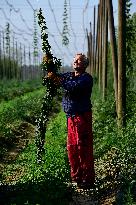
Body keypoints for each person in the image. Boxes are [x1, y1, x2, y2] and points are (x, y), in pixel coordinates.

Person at [47, 53, 95, 189]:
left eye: (79, 60)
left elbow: (72, 87)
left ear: (85, 64)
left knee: (83, 148)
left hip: (81, 117)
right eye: (75, 59)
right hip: (71, 117)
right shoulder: (68, 75)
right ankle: (77, 178)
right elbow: (57, 77)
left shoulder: (86, 79)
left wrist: (58, 80)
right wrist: (50, 66)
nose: (76, 61)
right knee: (72, 148)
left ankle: (88, 179)